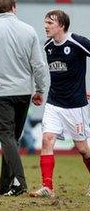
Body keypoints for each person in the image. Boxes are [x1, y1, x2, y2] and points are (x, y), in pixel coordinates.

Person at [0, 0, 48, 196]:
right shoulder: (29, 30)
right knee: (12, 139)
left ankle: (20, 182)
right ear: (14, 7)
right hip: (24, 92)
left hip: (1, 92)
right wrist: (40, 89)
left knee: (7, 138)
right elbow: (38, 65)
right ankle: (6, 187)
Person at [29, 10, 90, 198]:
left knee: (83, 150)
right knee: (47, 139)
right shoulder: (47, 45)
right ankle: (47, 187)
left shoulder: (77, 42)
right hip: (54, 103)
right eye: (45, 22)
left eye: (50, 22)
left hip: (76, 105)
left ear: (61, 25)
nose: (46, 26)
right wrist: (40, 92)